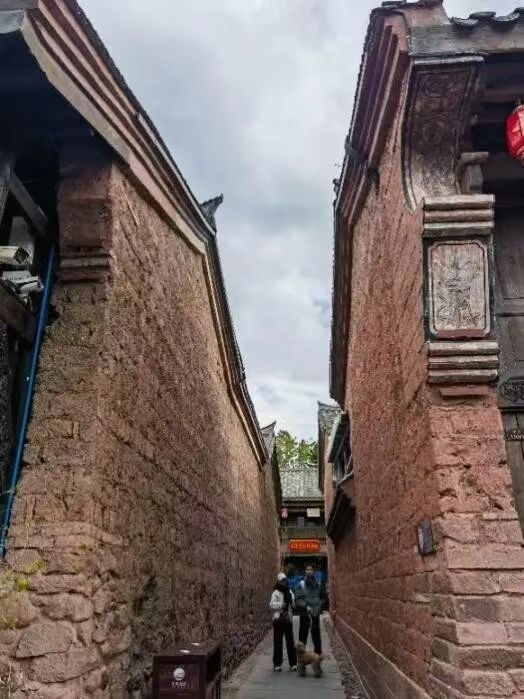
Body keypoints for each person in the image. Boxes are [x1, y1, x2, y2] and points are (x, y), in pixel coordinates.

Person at [269, 572, 297, 672]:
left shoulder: (289, 591)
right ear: (278, 581)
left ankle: (293, 663)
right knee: (278, 642)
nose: (284, 582)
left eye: (285, 580)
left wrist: (292, 601)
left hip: (288, 619)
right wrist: (281, 604)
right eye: (282, 581)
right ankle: (277, 664)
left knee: (290, 642)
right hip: (278, 620)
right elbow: (271, 605)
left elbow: (293, 605)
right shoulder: (276, 592)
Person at [294, 564, 324, 655]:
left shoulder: (318, 584)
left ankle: (318, 655)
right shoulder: (301, 584)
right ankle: (301, 656)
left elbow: (322, 598)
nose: (309, 571)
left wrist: (318, 607)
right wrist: (305, 606)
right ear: (305, 571)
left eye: (311, 569)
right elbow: (297, 599)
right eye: (307, 569)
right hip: (304, 613)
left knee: (316, 635)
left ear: (314, 571)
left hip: (315, 612)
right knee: (303, 635)